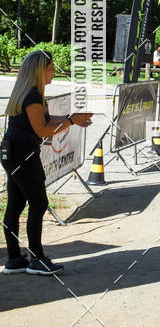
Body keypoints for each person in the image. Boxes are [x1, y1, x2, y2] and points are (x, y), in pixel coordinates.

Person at [1, 50, 93, 275]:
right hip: (22, 156)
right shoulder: (32, 96)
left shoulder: (28, 93)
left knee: (15, 205)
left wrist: (71, 119)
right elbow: (42, 130)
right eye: (50, 67)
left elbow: (44, 120)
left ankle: (14, 260)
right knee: (39, 203)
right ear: (39, 70)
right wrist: (71, 121)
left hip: (13, 153)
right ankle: (36, 259)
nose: (53, 71)